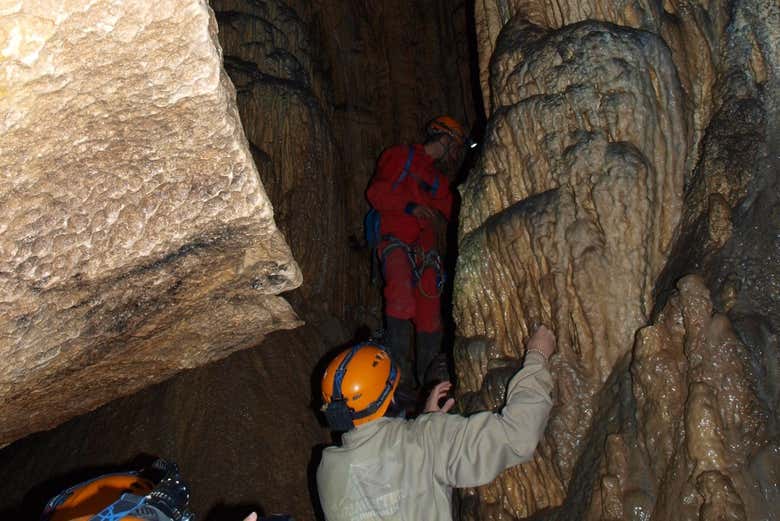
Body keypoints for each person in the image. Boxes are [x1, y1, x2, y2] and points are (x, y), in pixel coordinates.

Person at [317, 325, 556, 521]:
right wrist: (537, 356)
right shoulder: (426, 440)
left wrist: (427, 421)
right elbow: (517, 435)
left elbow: (390, 475)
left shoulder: (328, 472)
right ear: (390, 395)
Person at [366, 116, 473, 389]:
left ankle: (429, 387)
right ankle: (397, 379)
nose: (456, 154)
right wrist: (410, 207)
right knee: (401, 295)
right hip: (395, 241)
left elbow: (454, 209)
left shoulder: (435, 179)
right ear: (445, 139)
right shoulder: (400, 156)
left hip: (425, 255)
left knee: (430, 317)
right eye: (456, 146)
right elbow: (376, 193)